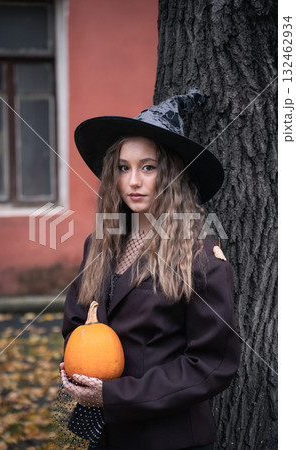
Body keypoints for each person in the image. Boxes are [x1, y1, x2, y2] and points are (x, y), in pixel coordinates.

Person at [60, 89, 241, 450]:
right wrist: (78, 371)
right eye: (124, 168)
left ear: (171, 174)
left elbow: (211, 364)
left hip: (169, 438)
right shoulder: (100, 244)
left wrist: (116, 394)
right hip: (107, 434)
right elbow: (77, 323)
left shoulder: (199, 255)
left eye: (148, 167)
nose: (133, 182)